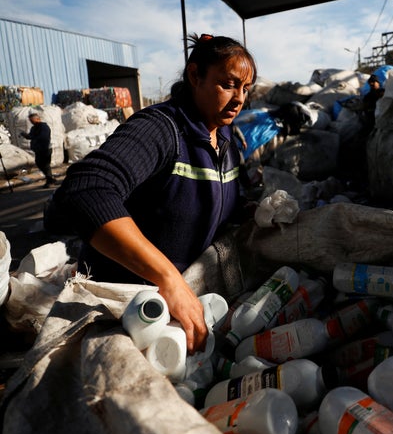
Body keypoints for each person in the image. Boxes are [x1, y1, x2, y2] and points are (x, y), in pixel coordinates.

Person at [45, 33, 257, 355]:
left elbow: (219, 204)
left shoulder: (226, 141)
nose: (239, 98)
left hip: (183, 301)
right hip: (128, 310)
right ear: (195, 75)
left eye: (245, 88)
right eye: (228, 84)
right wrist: (168, 279)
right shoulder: (161, 129)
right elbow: (87, 189)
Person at [21, 110, 56, 188]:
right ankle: (50, 179)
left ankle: (49, 180)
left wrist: (33, 137)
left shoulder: (44, 127)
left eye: (32, 120)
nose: (31, 122)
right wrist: (25, 135)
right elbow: (30, 136)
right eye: (30, 121)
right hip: (38, 149)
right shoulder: (34, 128)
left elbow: (43, 137)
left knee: (46, 165)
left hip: (45, 149)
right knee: (39, 164)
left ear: (37, 119)